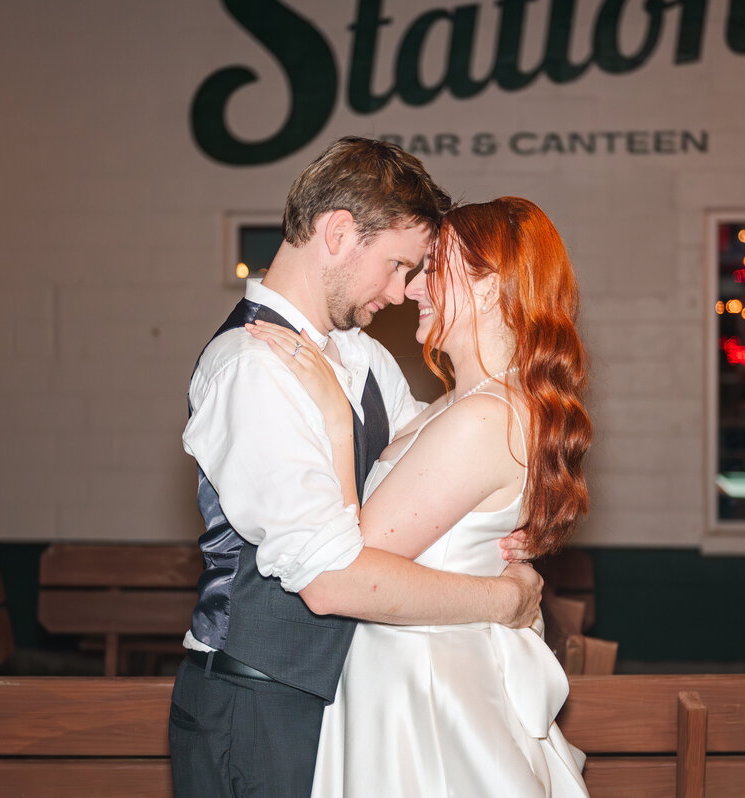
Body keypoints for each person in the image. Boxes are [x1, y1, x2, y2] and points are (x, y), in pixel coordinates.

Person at [170, 139, 544, 798]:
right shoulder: (251, 368)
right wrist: (501, 598)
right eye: (399, 264)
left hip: (343, 703)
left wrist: (498, 533)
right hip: (258, 702)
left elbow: (425, 477)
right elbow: (329, 577)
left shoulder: (360, 357)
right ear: (339, 233)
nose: (404, 292)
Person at [248, 196, 593, 796]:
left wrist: (335, 423)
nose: (414, 290)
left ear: (489, 287)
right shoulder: (461, 406)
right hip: (412, 672)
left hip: (426, 691)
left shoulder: (484, 417)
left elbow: (347, 562)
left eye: (436, 268)